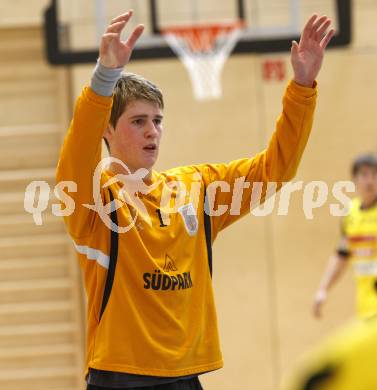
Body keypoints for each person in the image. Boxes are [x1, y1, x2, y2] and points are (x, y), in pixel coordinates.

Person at [56, 10, 334, 390]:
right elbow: (76, 154)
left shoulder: (196, 188)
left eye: (158, 120)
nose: (153, 131)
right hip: (119, 376)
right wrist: (104, 80)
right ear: (107, 128)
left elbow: (275, 170)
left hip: (186, 377)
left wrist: (302, 86)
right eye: (138, 121)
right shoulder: (93, 200)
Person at [313, 154, 377, 320]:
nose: (370, 181)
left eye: (375, 175)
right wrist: (323, 289)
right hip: (365, 305)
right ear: (355, 180)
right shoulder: (350, 213)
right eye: (364, 175)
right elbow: (341, 255)